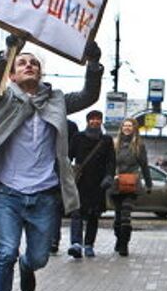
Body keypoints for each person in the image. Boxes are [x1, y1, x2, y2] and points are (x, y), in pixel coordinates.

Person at [0, 36, 103, 291]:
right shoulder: (3, 100)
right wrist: (9, 50)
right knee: (6, 252)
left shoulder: (56, 101)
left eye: (34, 63)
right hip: (8, 193)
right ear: (12, 74)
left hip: (44, 195)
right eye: (22, 62)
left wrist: (94, 64)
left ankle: (28, 267)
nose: (29, 65)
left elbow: (89, 96)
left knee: (38, 257)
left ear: (41, 73)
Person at [67, 110, 115, 258]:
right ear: (87, 121)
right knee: (77, 213)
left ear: (101, 122)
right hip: (80, 181)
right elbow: (68, 156)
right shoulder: (78, 137)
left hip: (98, 183)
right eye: (92, 119)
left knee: (93, 214)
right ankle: (76, 243)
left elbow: (111, 161)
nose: (95, 122)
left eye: (97, 119)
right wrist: (67, 174)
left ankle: (89, 244)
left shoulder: (106, 140)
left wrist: (108, 176)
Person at [111, 117, 152, 256]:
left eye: (130, 126)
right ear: (121, 128)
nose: (127, 128)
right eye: (125, 125)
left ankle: (124, 245)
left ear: (134, 128)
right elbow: (109, 164)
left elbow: (144, 166)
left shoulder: (139, 145)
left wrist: (148, 183)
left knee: (125, 216)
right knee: (117, 218)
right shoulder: (115, 144)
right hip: (116, 184)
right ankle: (119, 239)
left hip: (131, 183)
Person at [50, 119, 79, 254]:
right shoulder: (49, 121)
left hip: (64, 170)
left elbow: (73, 151)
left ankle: (74, 242)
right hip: (51, 171)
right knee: (55, 209)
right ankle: (53, 240)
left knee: (73, 208)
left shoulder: (71, 126)